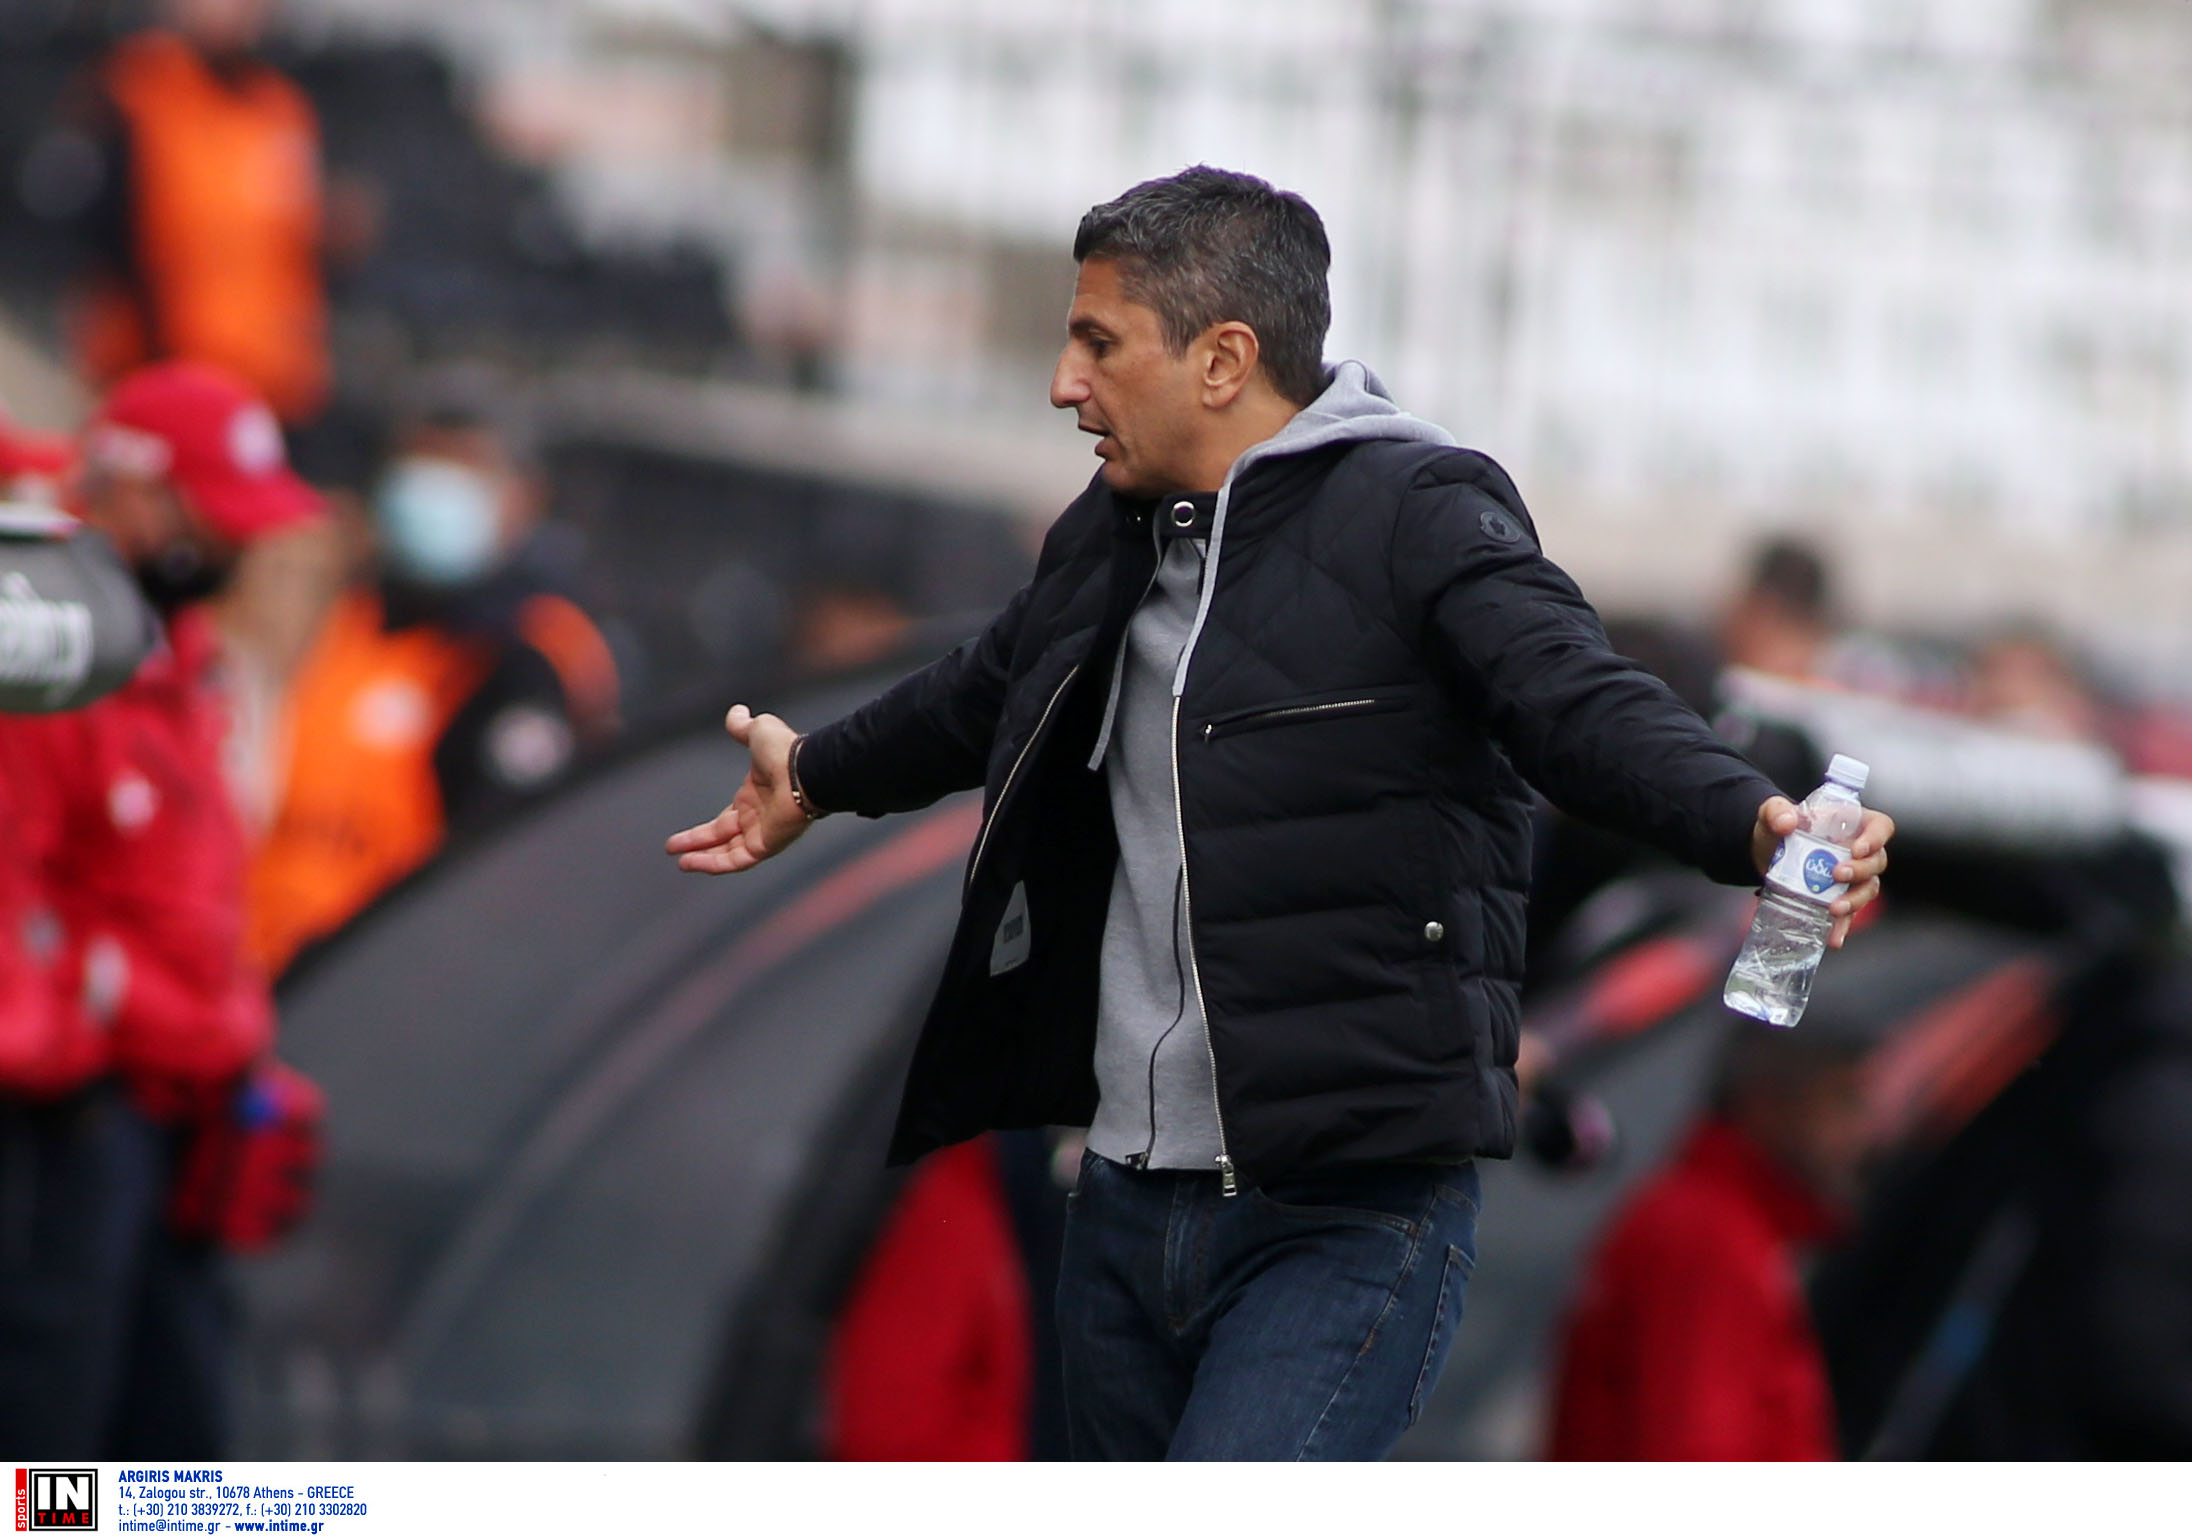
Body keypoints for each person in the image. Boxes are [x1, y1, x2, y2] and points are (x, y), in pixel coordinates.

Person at [665, 166, 1895, 1461]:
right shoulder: (1109, 537)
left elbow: (1571, 696)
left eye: (1098, 343)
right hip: (1124, 1206)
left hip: (1344, 1215)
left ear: (1222, 360)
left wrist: (1751, 821)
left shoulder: (1419, 514)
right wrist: (816, 775)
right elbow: (984, 689)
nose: (1064, 384)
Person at [0, 359, 317, 1457]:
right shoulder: (45, 648)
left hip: (168, 1113)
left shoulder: (179, 655)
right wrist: (82, 1029)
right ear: (133, 490)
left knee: (176, 1453)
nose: (233, 546)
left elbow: (190, 892)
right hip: (70, 1120)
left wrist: (225, 1043)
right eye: (209, 513)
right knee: (47, 1461)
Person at [244, 384, 619, 976]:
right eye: (420, 462)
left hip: (381, 979)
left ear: (521, 497)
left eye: (463, 466)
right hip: (255, 959)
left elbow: (507, 859)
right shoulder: (341, 613)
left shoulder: (530, 653)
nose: (433, 487)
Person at [1546, 1022, 1873, 1460]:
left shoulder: (1715, 1223)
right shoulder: (1709, 1239)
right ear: (1766, 1104)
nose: (1862, 1131)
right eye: (1842, 1102)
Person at [60, 0, 334, 427]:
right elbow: (110, 234)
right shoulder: (136, 89)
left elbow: (295, 248)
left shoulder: (283, 107)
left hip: (266, 386)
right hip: (157, 372)